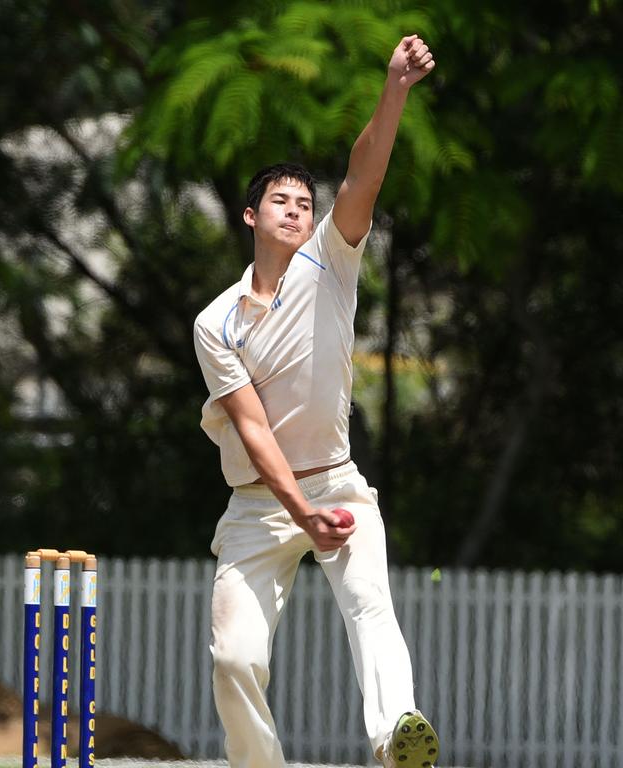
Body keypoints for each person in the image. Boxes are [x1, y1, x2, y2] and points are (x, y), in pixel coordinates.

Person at [193, 36, 439, 768]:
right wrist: (299, 514)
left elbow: (365, 171)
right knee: (235, 659)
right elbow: (251, 429)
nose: (298, 210)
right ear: (250, 216)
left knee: (371, 604)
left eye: (306, 202)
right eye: (281, 200)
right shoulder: (217, 321)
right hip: (258, 504)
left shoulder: (332, 262)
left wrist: (393, 87)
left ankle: (396, 740)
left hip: (337, 483)